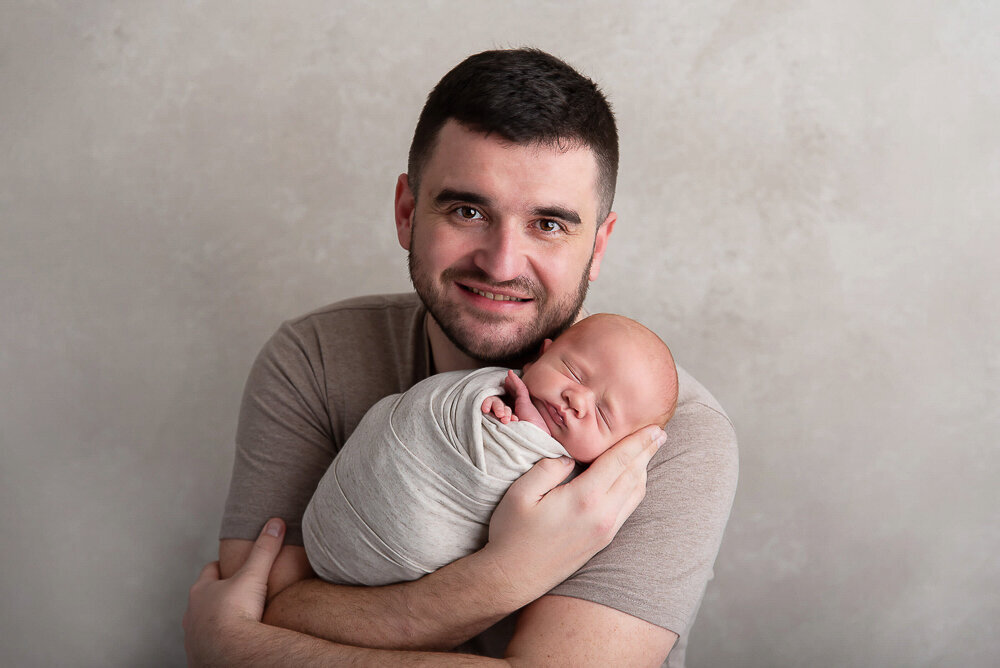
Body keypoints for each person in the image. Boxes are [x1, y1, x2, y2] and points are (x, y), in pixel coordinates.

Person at [184, 48, 738, 667]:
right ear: (406, 212)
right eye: (468, 211)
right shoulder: (313, 358)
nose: (501, 264)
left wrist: (238, 647)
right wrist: (510, 573)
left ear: (598, 245)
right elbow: (264, 601)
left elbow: (257, 626)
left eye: (549, 224)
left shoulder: (664, 434)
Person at [304, 313, 679, 586]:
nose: (576, 398)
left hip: (389, 560)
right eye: (573, 373)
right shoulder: (489, 393)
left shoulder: (598, 491)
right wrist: (504, 426)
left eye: (601, 413)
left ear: (623, 449)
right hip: (339, 514)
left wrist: (526, 437)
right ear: (539, 356)